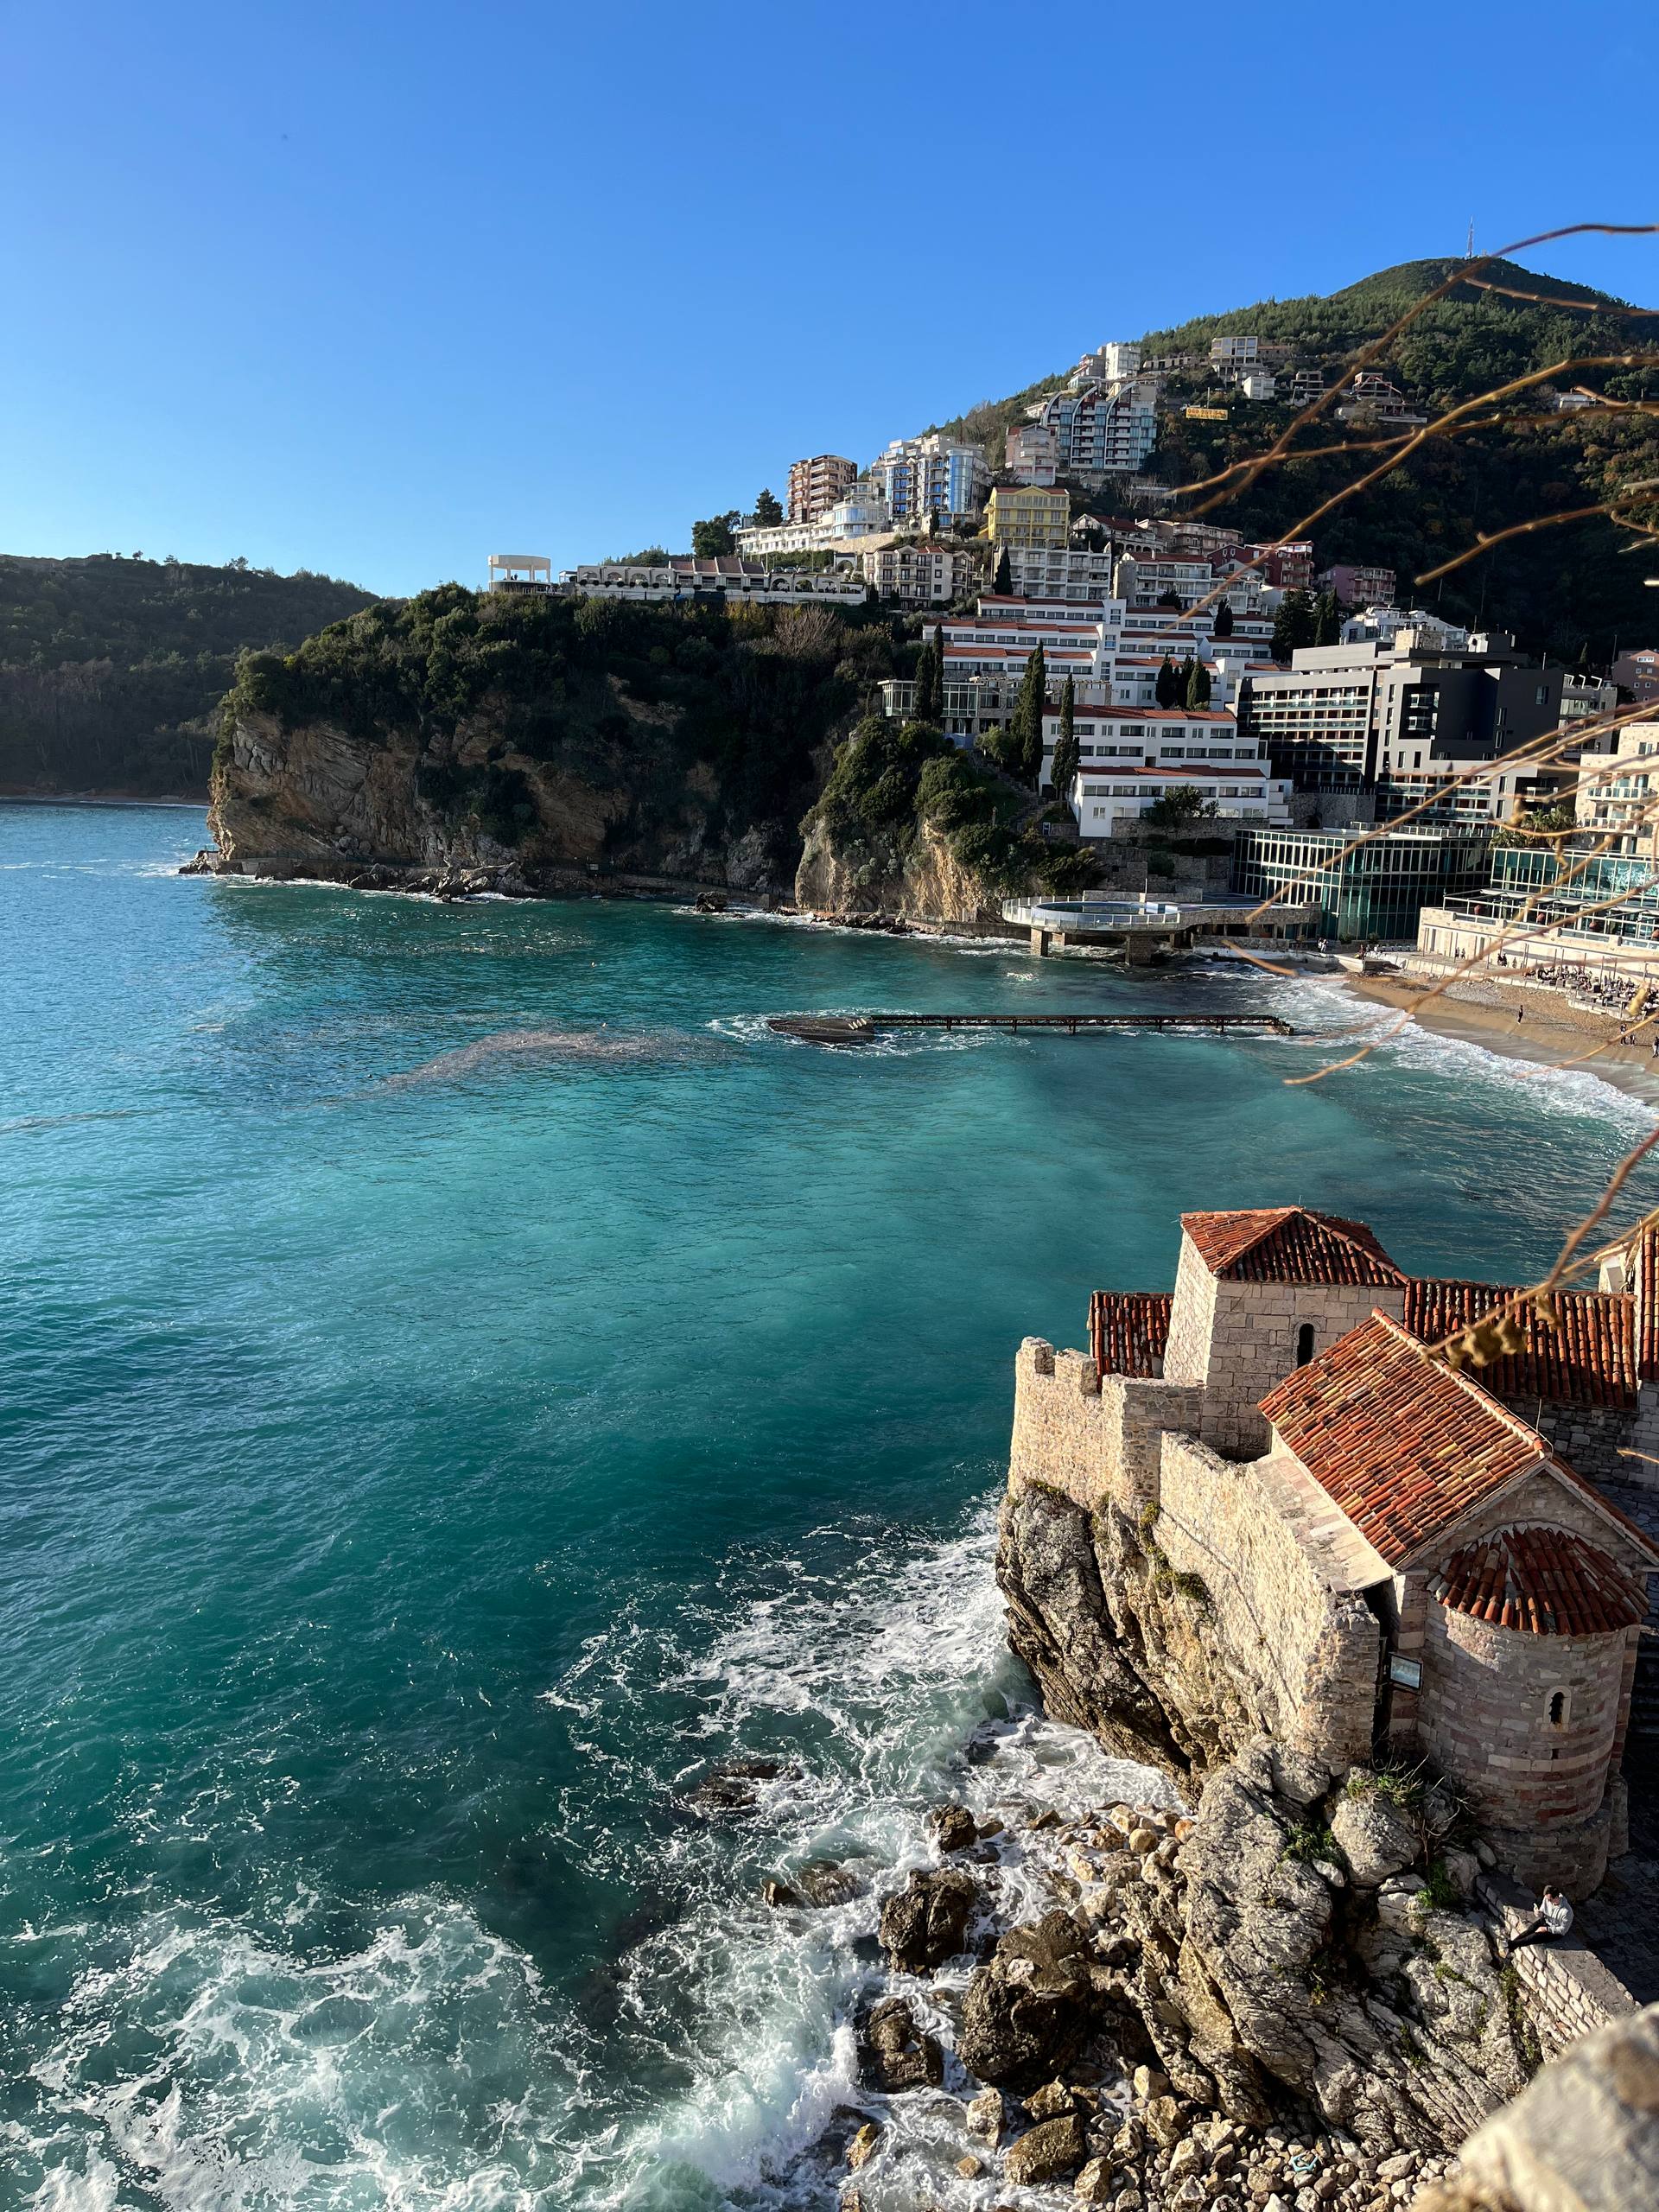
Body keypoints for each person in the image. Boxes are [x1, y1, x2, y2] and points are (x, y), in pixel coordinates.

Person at [1507, 1885, 1573, 1951]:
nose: (1547, 1901)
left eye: (1549, 1900)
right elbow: (1543, 1912)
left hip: (1555, 1931)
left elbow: (1563, 1930)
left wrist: (1546, 1929)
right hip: (1545, 1921)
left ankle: (1510, 1945)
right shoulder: (1547, 1898)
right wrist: (1539, 1913)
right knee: (1529, 1930)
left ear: (1556, 1897)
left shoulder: (1567, 1912)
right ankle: (1511, 1946)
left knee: (1534, 1937)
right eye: (1546, 1898)